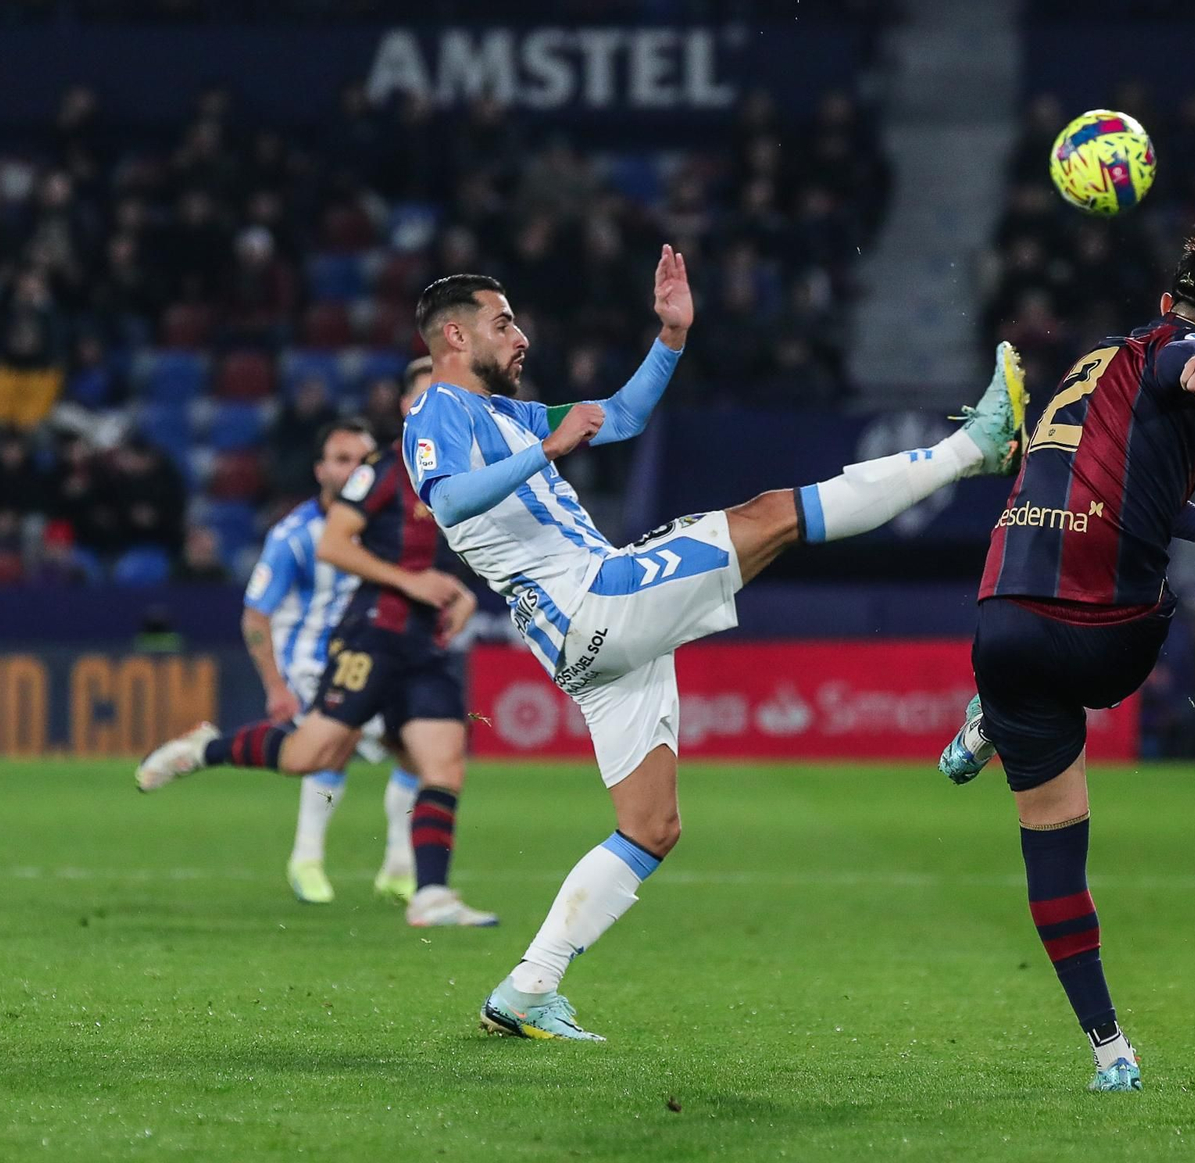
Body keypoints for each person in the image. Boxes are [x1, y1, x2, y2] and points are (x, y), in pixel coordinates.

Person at [399, 249, 1022, 1040]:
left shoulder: (503, 414)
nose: (520, 335)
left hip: (589, 635)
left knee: (650, 826)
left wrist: (670, 336)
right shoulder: (435, 415)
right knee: (771, 515)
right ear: (453, 336)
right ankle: (975, 449)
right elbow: (448, 500)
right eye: (502, 322)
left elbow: (618, 417)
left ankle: (527, 986)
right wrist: (545, 452)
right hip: (592, 604)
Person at [936, 235, 1195, 1092]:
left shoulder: (1099, 359)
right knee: (1149, 621)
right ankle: (995, 719)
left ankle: (1112, 1051)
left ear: (1163, 295)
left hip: (1002, 619)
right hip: (1107, 632)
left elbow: (1135, 487)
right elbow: (1192, 357)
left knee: (1051, 849)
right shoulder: (1185, 355)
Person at [135, 359, 495, 929]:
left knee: (442, 762)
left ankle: (429, 893)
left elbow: (439, 557)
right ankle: (205, 752)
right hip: (370, 638)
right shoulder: (378, 472)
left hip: (424, 644)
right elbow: (334, 544)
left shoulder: (455, 474)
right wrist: (411, 584)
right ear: (407, 408)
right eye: (430, 397)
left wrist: (459, 591)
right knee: (311, 755)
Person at [240, 417, 422, 906]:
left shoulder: (386, 525)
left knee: (416, 744)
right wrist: (275, 685)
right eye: (341, 460)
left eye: (362, 460)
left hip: (373, 652)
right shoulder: (295, 536)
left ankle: (400, 866)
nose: (352, 470)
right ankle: (307, 859)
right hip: (312, 662)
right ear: (320, 470)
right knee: (333, 747)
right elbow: (256, 615)